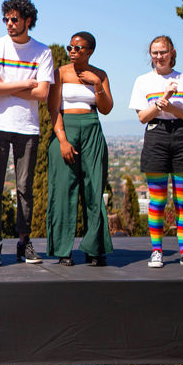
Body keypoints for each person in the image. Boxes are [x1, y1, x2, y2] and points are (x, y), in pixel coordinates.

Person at [0, 0, 54, 266]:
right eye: (6, 19)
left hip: (27, 128)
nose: (10, 24)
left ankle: (24, 243)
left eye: (15, 19)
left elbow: (43, 93)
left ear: (28, 21)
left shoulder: (42, 52)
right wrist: (25, 84)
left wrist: (6, 84)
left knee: (24, 189)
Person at [129, 35, 183, 269]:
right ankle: (156, 251)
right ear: (150, 55)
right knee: (158, 200)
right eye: (155, 52)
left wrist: (173, 107)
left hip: (182, 136)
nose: (159, 56)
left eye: (163, 52)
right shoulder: (143, 81)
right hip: (156, 135)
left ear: (172, 53)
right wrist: (162, 100)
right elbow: (142, 117)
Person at [46, 32, 114, 266]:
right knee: (64, 190)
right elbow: (53, 109)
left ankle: (95, 249)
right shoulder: (60, 73)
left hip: (92, 131)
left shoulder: (100, 75)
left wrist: (96, 84)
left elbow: (106, 109)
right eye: (70, 47)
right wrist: (63, 140)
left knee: (94, 190)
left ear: (90, 51)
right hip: (65, 130)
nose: (72, 51)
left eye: (78, 47)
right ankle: (64, 250)